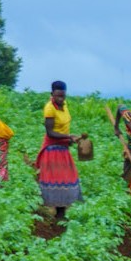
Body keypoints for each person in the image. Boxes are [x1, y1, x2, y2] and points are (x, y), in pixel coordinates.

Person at [36, 81, 85, 213]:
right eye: (58, 96)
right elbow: (50, 132)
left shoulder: (64, 105)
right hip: (52, 148)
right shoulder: (49, 108)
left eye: (63, 96)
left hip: (63, 147)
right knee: (56, 179)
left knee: (66, 179)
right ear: (52, 94)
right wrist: (69, 137)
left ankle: (61, 212)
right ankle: (56, 212)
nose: (61, 99)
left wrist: (69, 139)